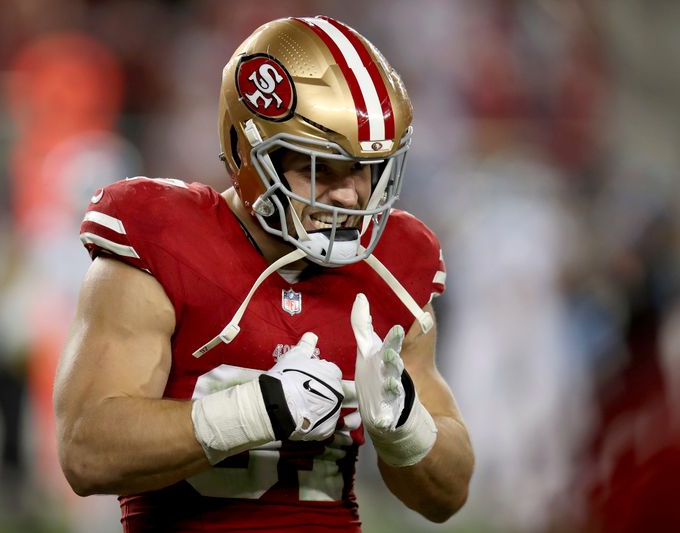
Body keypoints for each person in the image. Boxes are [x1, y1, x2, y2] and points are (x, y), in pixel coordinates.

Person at [54, 15, 474, 531]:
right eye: (321, 168)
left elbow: (448, 494)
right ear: (249, 152)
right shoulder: (163, 238)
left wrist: (407, 430)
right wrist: (257, 410)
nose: (349, 195)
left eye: (365, 170)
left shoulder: (392, 265)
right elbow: (85, 449)